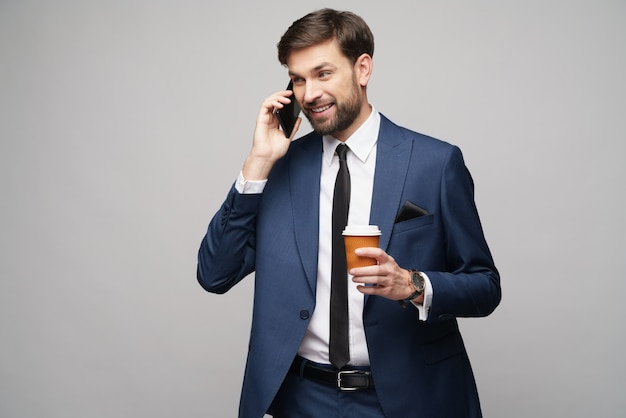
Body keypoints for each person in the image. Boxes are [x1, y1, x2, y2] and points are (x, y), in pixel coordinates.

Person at [197, 8, 501, 418]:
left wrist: (412, 284)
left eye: (323, 74)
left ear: (362, 68)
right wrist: (257, 161)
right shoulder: (279, 167)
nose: (308, 94)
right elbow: (214, 273)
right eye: (298, 79)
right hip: (303, 400)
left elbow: (485, 285)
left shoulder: (435, 163)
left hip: (409, 399)